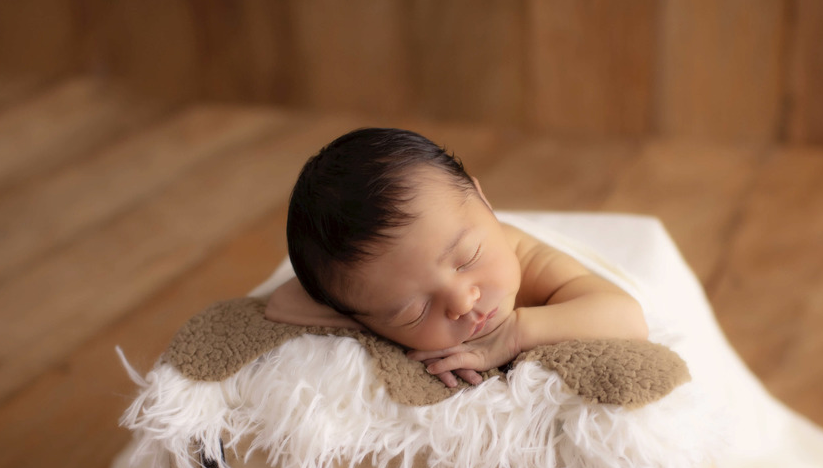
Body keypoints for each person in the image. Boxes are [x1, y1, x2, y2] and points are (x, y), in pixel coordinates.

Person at [265, 127, 649, 387]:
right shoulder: (373, 297)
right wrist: (381, 324)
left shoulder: (526, 259)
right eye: (413, 310)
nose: (464, 301)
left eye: (467, 259)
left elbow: (626, 317)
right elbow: (282, 302)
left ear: (482, 198)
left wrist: (515, 334)